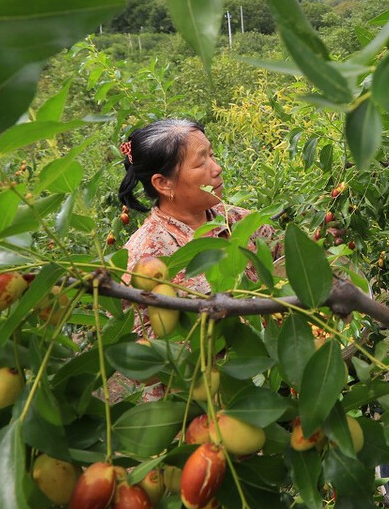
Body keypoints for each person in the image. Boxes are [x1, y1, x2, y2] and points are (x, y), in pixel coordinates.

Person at [117, 119, 279, 397]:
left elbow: (282, 261)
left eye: (212, 155)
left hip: (274, 381)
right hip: (203, 407)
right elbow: (148, 365)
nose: (217, 169)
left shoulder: (237, 220)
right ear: (163, 183)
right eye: (201, 162)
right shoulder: (145, 260)